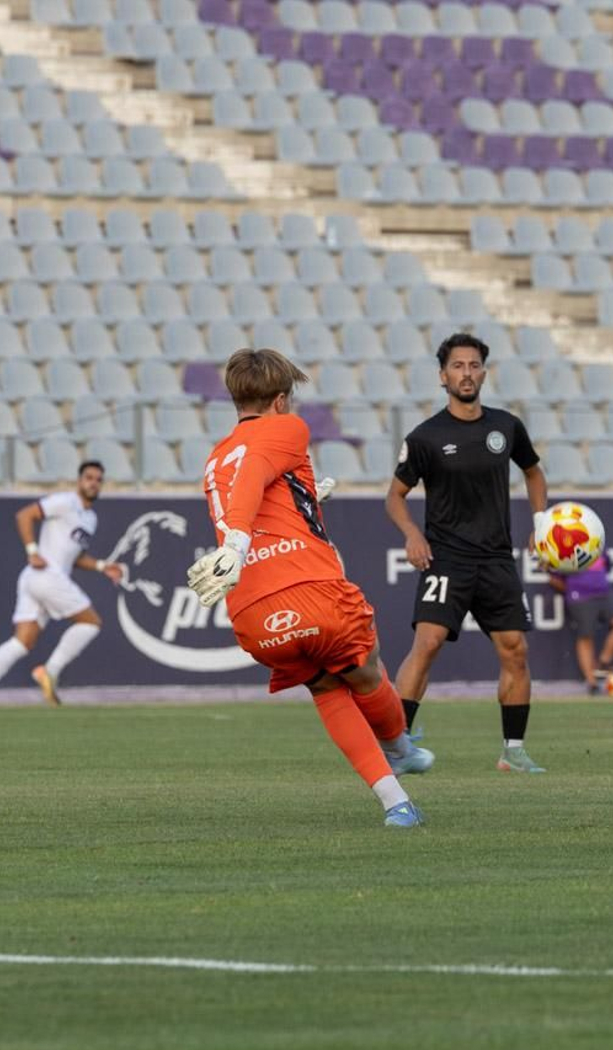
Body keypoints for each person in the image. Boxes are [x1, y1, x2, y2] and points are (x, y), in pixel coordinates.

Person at [184, 347, 432, 829]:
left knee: (324, 688)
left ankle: (396, 803)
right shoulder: (288, 429)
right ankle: (400, 747)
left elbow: (253, 491)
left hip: (252, 613)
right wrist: (235, 543)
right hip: (312, 591)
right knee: (365, 668)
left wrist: (305, 500)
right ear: (280, 400)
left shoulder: (215, 460)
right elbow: (255, 475)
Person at [385, 332, 550, 773]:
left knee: (515, 649)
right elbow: (395, 496)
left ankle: (513, 751)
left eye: (474, 365)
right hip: (447, 558)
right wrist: (412, 536)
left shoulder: (506, 427)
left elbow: (534, 474)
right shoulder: (426, 436)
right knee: (428, 642)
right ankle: (396, 747)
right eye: (457, 366)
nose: (466, 373)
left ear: (484, 372)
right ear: (443, 376)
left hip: (496, 559)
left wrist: (541, 522)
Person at [0, 461, 125, 716]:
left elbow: (76, 558)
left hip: (37, 579)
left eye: (98, 479)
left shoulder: (90, 518)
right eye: (89, 477)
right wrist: (32, 550)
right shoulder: (65, 502)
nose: (93, 482)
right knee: (91, 622)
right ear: (79, 480)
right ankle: (50, 671)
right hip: (45, 575)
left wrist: (103, 566)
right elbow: (25, 515)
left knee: (22, 642)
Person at [547, 554, 613, 695]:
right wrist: (574, 590)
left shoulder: (596, 540)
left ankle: (604, 663)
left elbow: (606, 565)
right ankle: (592, 683)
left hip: (604, 592)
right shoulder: (563, 547)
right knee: (586, 635)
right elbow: (553, 578)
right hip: (580, 597)